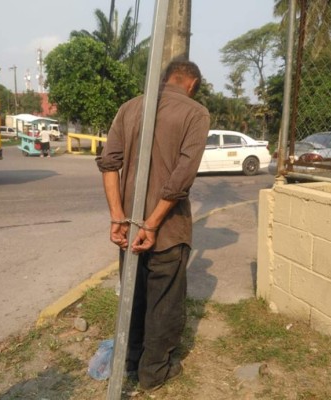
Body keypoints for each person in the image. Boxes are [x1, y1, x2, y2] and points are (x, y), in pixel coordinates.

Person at [96, 60, 210, 391]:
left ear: (165, 80)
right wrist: (153, 223)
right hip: (168, 230)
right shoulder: (195, 113)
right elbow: (181, 178)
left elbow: (108, 163)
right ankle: (153, 373)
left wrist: (118, 217)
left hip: (128, 228)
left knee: (133, 294)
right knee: (164, 303)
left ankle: (131, 360)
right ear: (191, 85)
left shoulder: (130, 108)